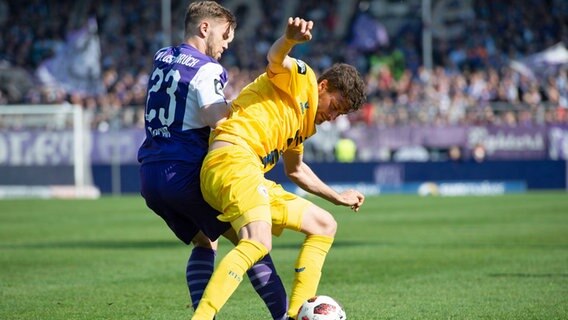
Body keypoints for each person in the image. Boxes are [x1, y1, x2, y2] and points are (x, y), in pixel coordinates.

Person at [192, 17, 367, 320]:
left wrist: (337, 197)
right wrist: (289, 38)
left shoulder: (302, 125)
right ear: (323, 87)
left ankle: (295, 315)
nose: (333, 116)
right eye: (334, 106)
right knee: (258, 241)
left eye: (340, 114)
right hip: (232, 160)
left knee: (324, 224)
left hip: (245, 173)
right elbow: (276, 58)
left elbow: (295, 170)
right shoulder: (304, 80)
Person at [137, 2, 288, 319]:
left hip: (150, 174)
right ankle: (282, 315)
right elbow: (215, 117)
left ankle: (203, 313)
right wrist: (247, 107)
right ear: (205, 28)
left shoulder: (162, 56)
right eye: (224, 36)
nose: (225, 45)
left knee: (205, 243)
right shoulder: (207, 68)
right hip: (185, 173)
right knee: (254, 242)